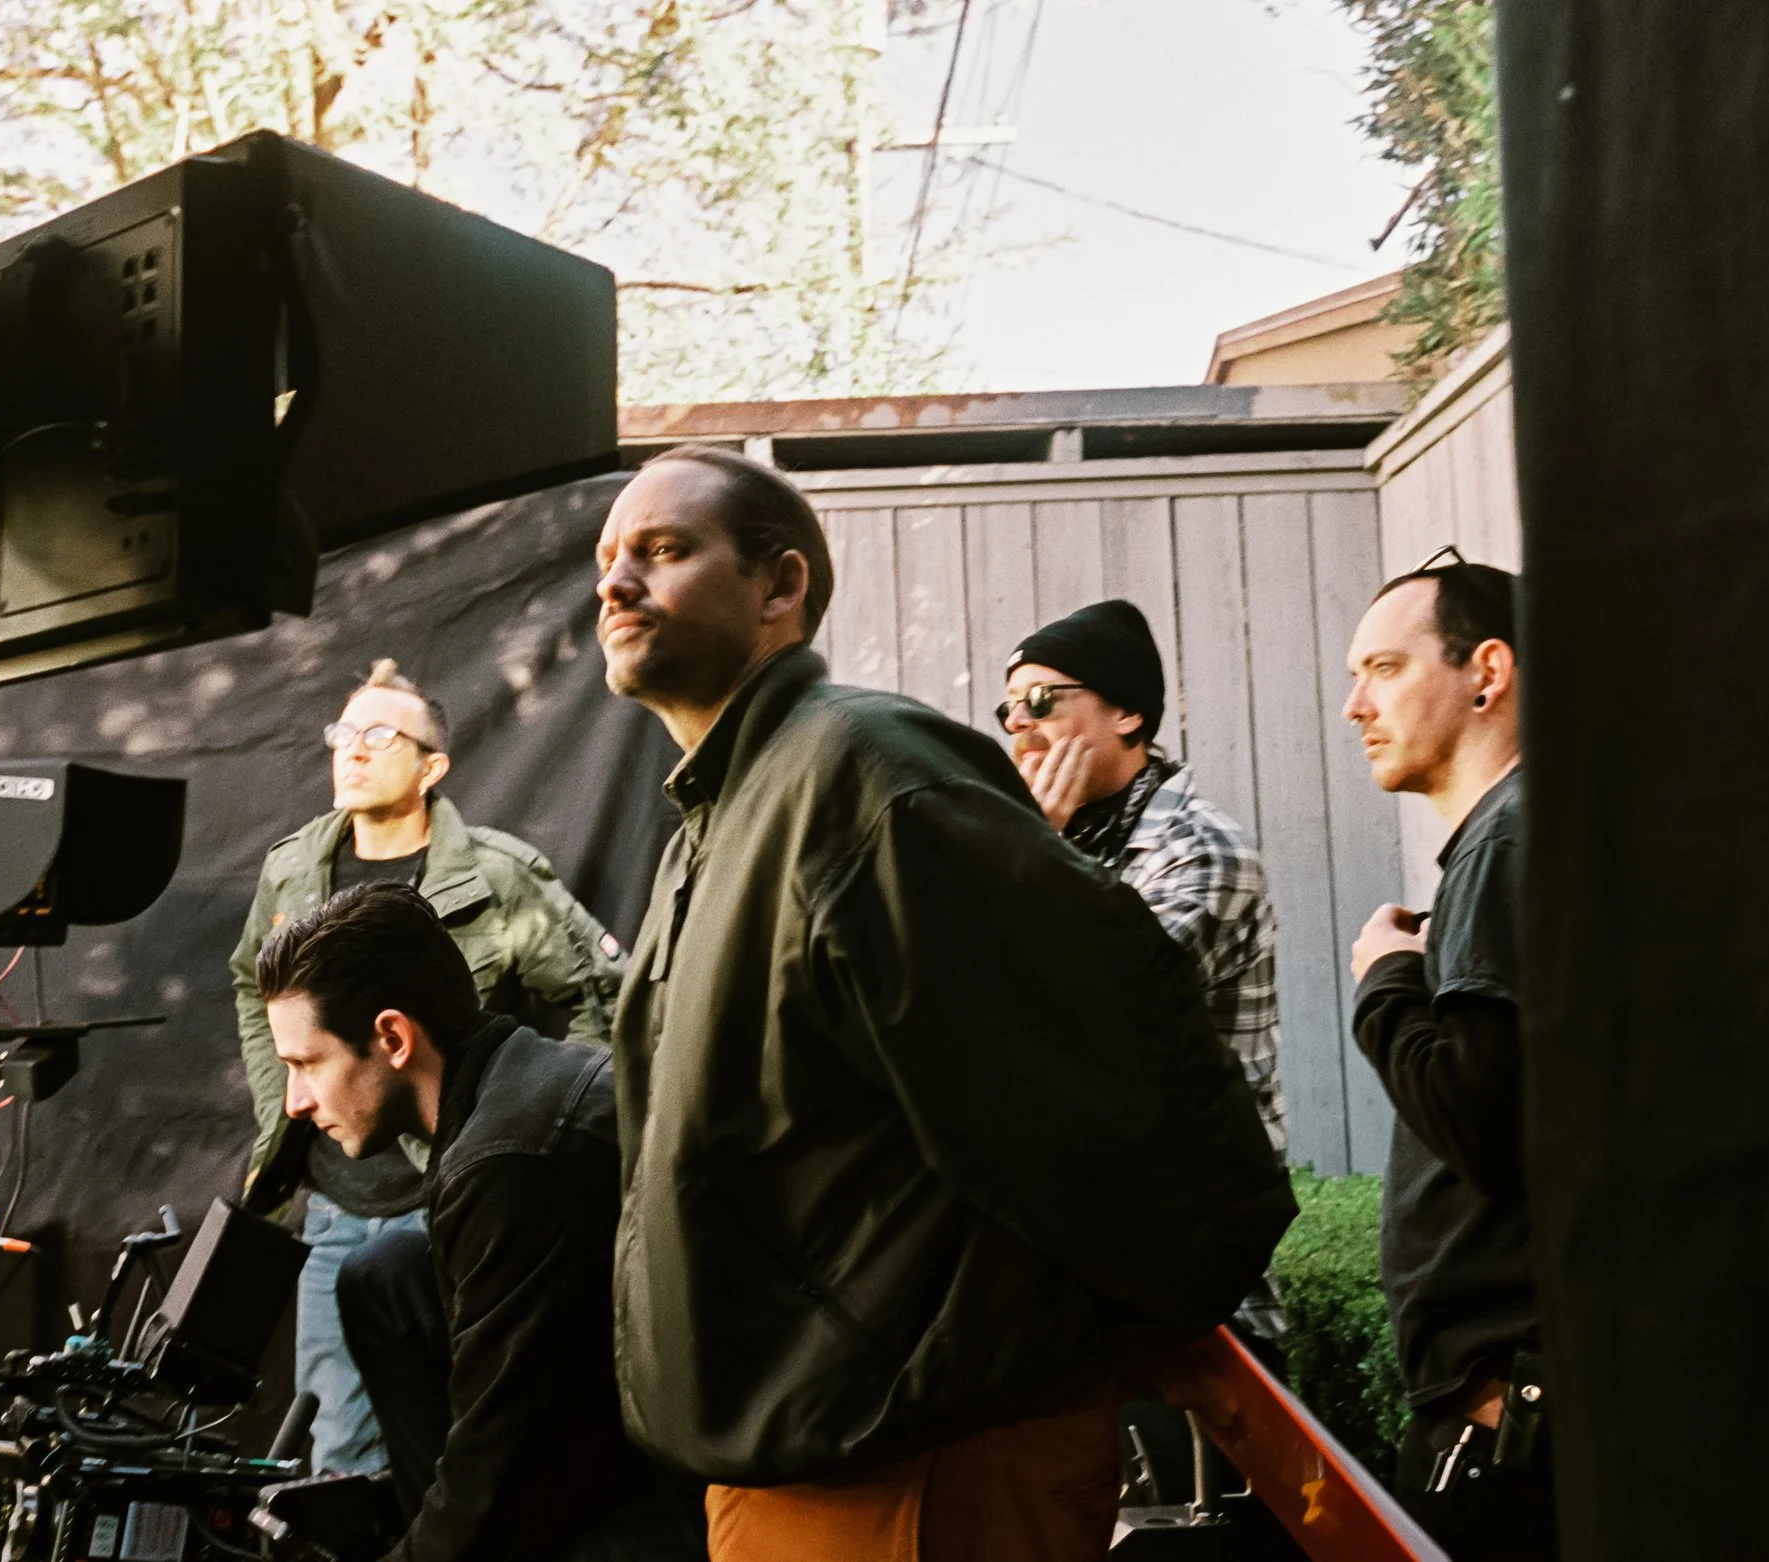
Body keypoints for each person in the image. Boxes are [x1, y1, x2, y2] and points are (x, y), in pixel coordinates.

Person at [597, 444, 1294, 1562]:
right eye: (607, 561)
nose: (615, 584)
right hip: (790, 1457)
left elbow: (1112, 1099)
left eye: (664, 550)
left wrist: (1096, 1339)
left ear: (781, 587)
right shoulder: (719, 818)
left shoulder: (866, 773)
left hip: (920, 1460)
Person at [229, 659, 624, 1475]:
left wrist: (558, 1126)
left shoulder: (498, 874)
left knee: (472, 1434)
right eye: (343, 732)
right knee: (338, 1450)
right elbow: (251, 983)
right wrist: (287, 1102)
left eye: (380, 734)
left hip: (452, 1201)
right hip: (335, 1205)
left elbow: (603, 996)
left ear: (431, 766)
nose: (354, 750)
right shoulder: (293, 870)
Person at [259, 884, 703, 1562]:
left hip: (662, 1494)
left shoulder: (509, 1162)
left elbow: (495, 1458)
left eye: (306, 1064)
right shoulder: (515, 1084)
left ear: (391, 1037)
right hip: (614, 1409)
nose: (294, 1101)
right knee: (384, 1277)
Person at [1341, 551, 1554, 1560]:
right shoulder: (1522, 834)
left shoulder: (1502, 839)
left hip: (1502, 1417)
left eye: (1383, 667)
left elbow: (1479, 1116)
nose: (1355, 705)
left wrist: (1382, 978)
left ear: (1487, 671)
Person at [1002, 598, 1286, 1156]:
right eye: (1008, 707)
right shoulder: (1056, 833)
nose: (1017, 723)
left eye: (1040, 700)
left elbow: (1099, 1014)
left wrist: (1029, 849)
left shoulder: (1200, 850)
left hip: (1191, 1186)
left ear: (1127, 712)